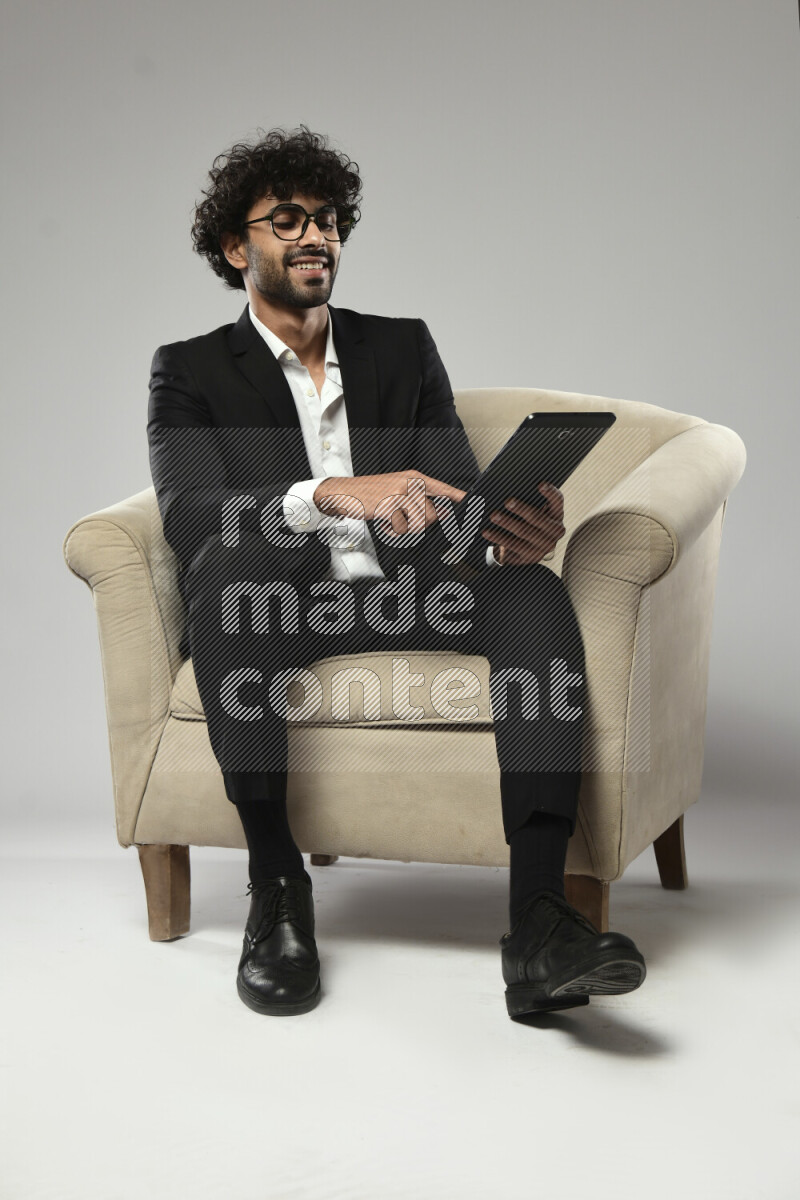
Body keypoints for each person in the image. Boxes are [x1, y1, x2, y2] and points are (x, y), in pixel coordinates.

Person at [147, 126, 646, 1021]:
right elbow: (193, 518)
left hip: (415, 594)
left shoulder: (401, 348)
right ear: (236, 246)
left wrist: (505, 537)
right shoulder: (188, 372)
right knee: (224, 595)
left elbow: (450, 499)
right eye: (287, 220)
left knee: (533, 591)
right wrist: (332, 492)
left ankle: (538, 923)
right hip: (277, 603)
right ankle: (276, 890)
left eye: (329, 220)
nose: (317, 236)